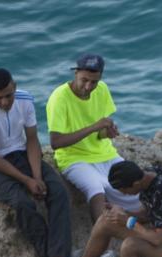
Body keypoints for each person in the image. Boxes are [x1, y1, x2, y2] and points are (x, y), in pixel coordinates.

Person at [0, 68, 73, 257]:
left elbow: (32, 140)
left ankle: (60, 255)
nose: (4, 102)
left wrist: (37, 176)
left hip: (21, 154)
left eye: (8, 96)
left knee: (58, 191)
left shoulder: (25, 100)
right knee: (22, 203)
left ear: (14, 87)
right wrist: (27, 181)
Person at [45, 53, 140, 222]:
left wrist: (106, 133)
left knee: (136, 184)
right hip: (73, 159)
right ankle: (102, 242)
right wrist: (94, 127)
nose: (88, 86)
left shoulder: (102, 89)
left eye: (94, 81)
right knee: (95, 188)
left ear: (100, 78)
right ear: (75, 74)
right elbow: (55, 142)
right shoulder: (59, 98)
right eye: (84, 80)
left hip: (105, 154)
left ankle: (149, 231)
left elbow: (99, 134)